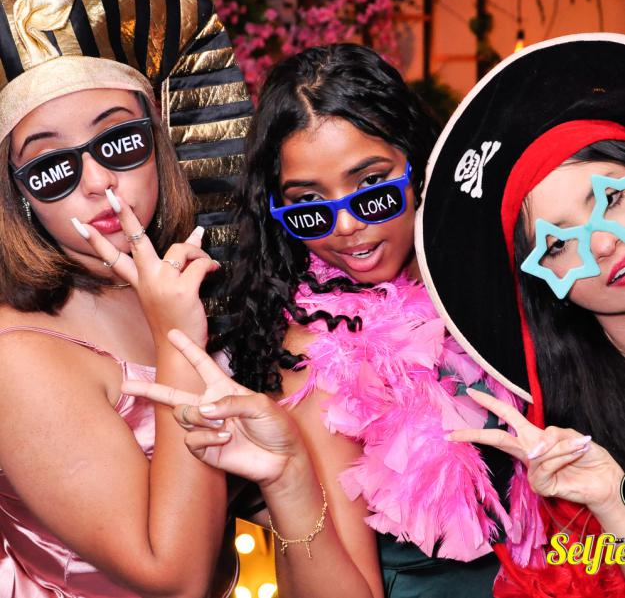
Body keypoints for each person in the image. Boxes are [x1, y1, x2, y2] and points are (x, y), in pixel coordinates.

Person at [119, 43, 525, 598]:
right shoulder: (318, 357)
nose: (347, 225)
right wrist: (287, 479)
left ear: (418, 163)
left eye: (372, 187)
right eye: (310, 205)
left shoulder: (498, 272)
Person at [0, 0, 253, 595]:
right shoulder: (17, 360)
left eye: (119, 141)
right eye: (52, 166)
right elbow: (176, 579)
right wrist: (177, 340)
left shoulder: (162, 284)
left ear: (159, 145)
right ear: (18, 195)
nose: (98, 181)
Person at [417, 33, 625, 597]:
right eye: (558, 244)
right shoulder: (567, 439)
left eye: (611, 199)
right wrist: (614, 504)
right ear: (543, 282)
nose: (602, 244)